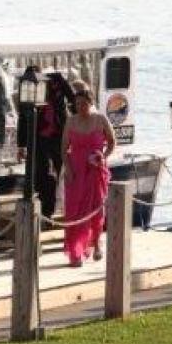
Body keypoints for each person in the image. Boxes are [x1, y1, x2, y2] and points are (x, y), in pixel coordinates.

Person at [61, 81, 116, 267]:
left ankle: (96, 242)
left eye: (83, 104)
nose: (80, 107)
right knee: (75, 211)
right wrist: (68, 168)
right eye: (77, 104)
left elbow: (112, 142)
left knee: (96, 208)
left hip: (95, 171)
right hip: (76, 171)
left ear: (90, 103)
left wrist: (103, 157)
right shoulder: (71, 121)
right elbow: (63, 149)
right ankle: (75, 252)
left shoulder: (100, 119)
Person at [36, 73, 75, 220]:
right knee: (43, 173)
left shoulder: (58, 84)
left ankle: (51, 208)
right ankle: (46, 209)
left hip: (57, 135)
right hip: (41, 138)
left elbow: (71, 97)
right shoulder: (37, 89)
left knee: (57, 172)